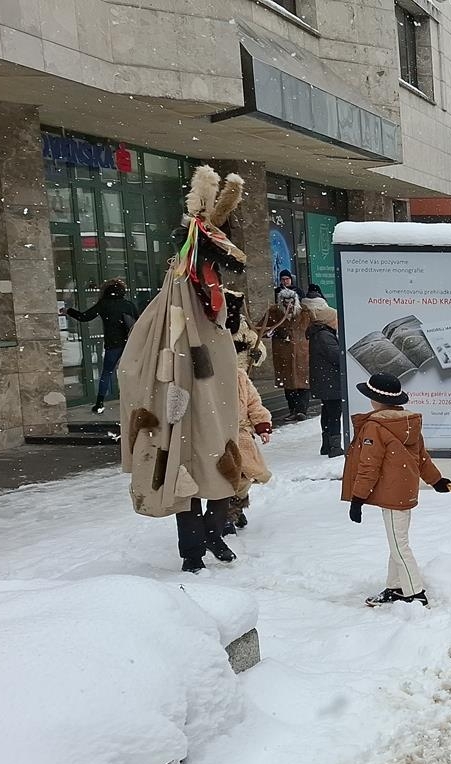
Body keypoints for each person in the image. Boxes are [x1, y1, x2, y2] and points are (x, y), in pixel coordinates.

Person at [119, 164, 247, 573]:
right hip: (179, 400)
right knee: (183, 466)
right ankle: (194, 549)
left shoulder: (210, 305)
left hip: (209, 398)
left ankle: (212, 536)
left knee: (215, 460)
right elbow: (134, 366)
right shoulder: (171, 309)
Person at [342, 373, 451, 607]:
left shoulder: (375, 426)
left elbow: (368, 466)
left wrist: (357, 498)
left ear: (375, 400)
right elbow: (422, 458)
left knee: (399, 545)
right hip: (405, 491)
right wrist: (436, 481)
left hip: (391, 494)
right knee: (397, 541)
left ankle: (415, 593)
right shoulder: (407, 422)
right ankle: (396, 587)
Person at [224, 290, 272, 535]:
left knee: (245, 472)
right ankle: (224, 512)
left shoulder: (243, 328)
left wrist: (255, 353)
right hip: (220, 386)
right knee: (225, 473)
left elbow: (259, 348)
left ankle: (237, 506)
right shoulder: (213, 330)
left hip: (241, 379)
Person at [63, 278, 138, 414]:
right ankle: (133, 399)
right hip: (130, 344)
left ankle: (99, 402)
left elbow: (84, 316)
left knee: (107, 373)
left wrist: (69, 311)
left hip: (113, 345)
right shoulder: (128, 305)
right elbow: (138, 323)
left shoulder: (104, 304)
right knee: (131, 372)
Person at [256, 280, 313, 419]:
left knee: (303, 383)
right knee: (289, 384)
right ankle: (293, 409)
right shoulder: (274, 312)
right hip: (284, 353)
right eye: (286, 302)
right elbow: (261, 330)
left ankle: (301, 410)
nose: (289, 305)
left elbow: (313, 328)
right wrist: (274, 332)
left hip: (302, 353)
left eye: (291, 302)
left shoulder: (305, 312)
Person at [307, 297, 345, 457]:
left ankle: (327, 445)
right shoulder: (325, 336)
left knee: (327, 412)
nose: (337, 321)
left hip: (324, 381)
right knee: (334, 413)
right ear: (328, 321)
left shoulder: (319, 334)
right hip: (330, 382)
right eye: (335, 319)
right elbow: (336, 357)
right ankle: (335, 447)